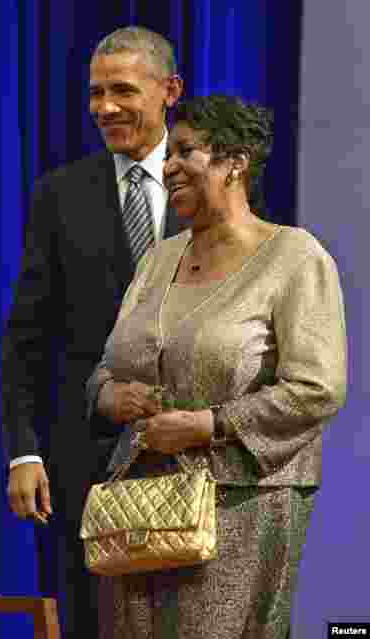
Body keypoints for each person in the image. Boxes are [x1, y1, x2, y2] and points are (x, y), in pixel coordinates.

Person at [87, 94, 347, 638]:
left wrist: (209, 425)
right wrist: (111, 397)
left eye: (186, 151)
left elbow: (317, 388)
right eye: (168, 154)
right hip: (140, 508)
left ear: (235, 162)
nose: (168, 166)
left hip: (243, 505)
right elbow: (105, 371)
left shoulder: (295, 257)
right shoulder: (159, 259)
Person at [1, 26, 184, 638]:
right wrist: (25, 449)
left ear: (170, 91)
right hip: (83, 459)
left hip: (188, 452)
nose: (105, 108)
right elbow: (27, 334)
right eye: (96, 93)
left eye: (123, 91)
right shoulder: (59, 194)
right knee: (86, 621)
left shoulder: (211, 188)